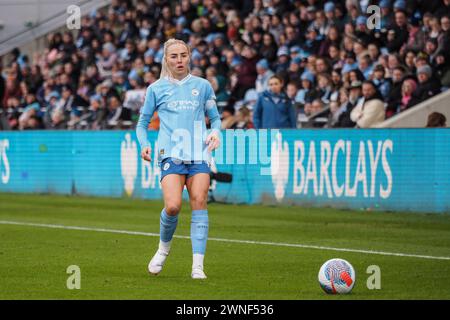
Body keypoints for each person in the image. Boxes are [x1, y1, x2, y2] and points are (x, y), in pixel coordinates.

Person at [136, 39, 221, 280]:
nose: (180, 60)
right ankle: (163, 250)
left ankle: (197, 266)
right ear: (166, 59)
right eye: (174, 56)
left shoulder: (203, 86)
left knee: (199, 201)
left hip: (198, 153)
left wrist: (215, 133)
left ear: (190, 56)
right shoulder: (156, 89)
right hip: (170, 153)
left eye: (183, 55)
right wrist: (144, 145)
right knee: (173, 206)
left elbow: (215, 118)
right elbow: (142, 124)